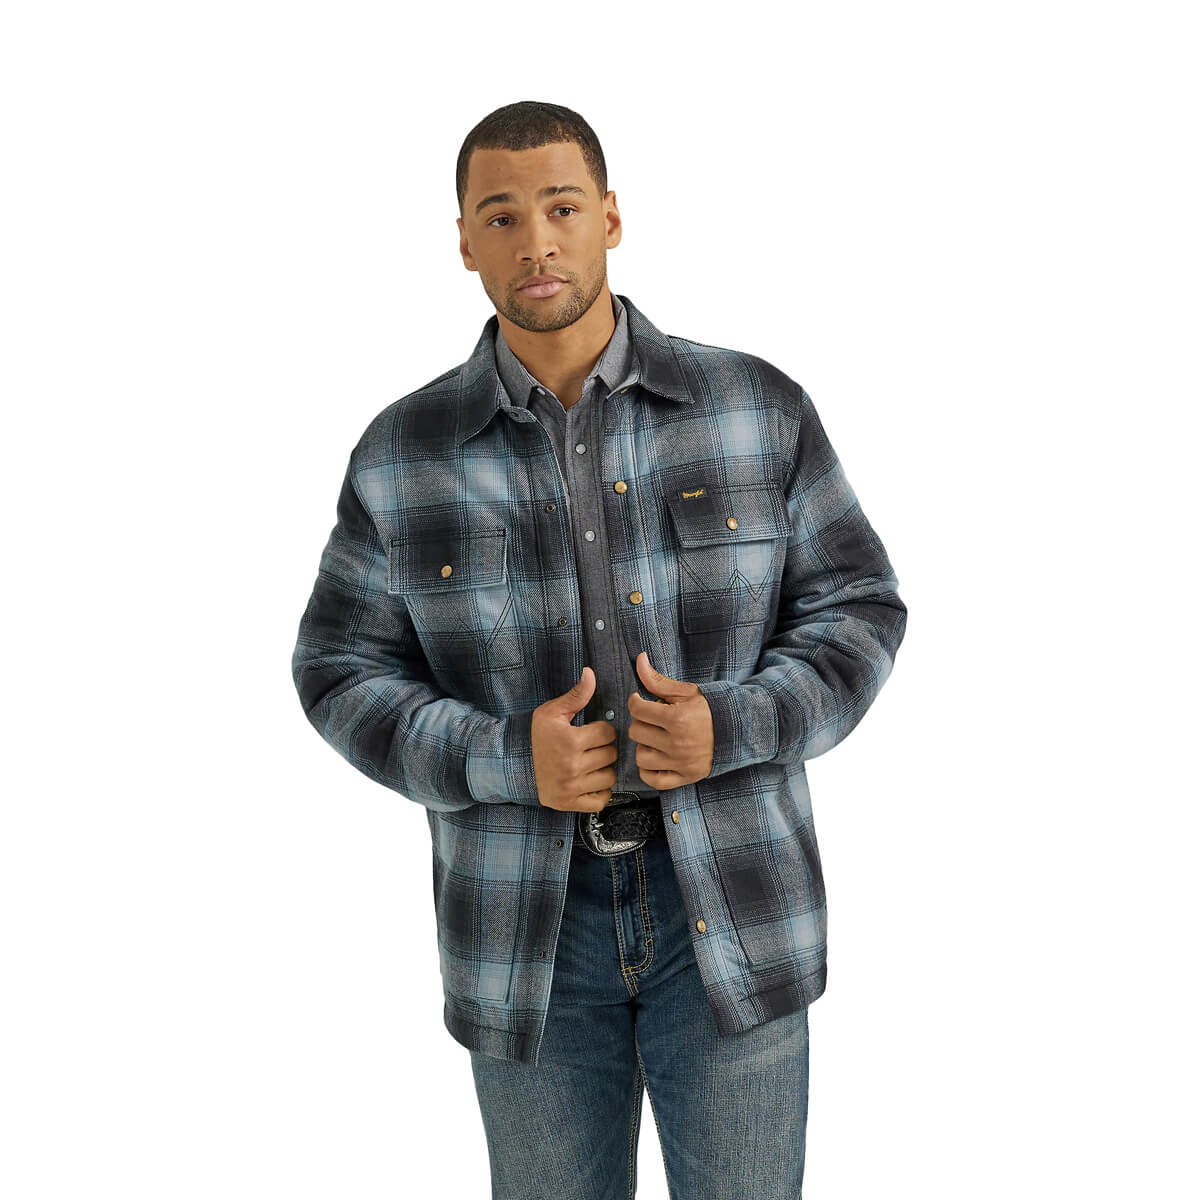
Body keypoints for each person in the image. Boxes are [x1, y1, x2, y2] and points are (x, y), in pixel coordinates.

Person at [291, 99, 907, 1200]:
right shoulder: (401, 453)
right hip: (522, 926)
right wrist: (502, 758)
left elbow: (859, 607)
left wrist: (734, 725)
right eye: (502, 216)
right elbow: (338, 671)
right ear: (464, 241)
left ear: (611, 218)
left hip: (732, 897)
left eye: (563, 208)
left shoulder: (753, 407)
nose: (536, 242)